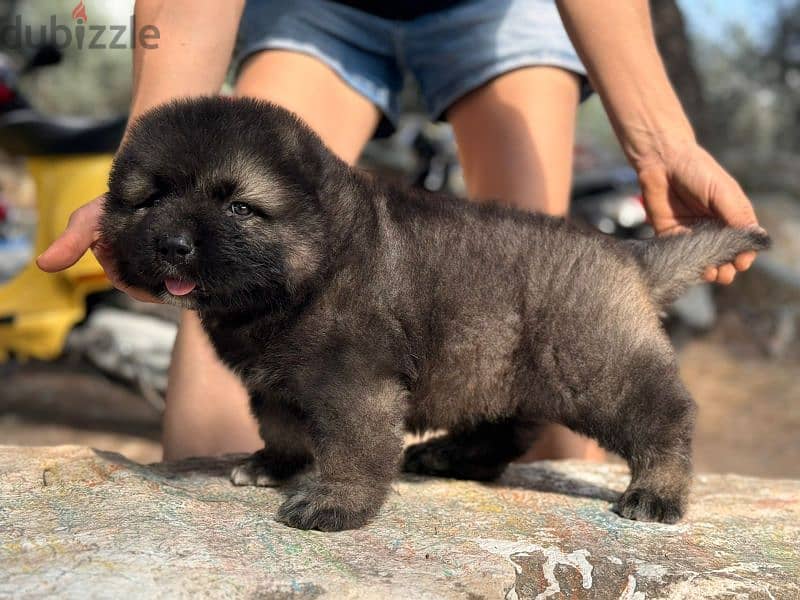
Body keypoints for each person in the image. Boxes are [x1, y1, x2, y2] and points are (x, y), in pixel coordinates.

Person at [37, 0, 762, 462]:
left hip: (501, 9)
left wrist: (661, 142)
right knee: (226, 315)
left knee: (551, 314)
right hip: (313, 9)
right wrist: (142, 176)